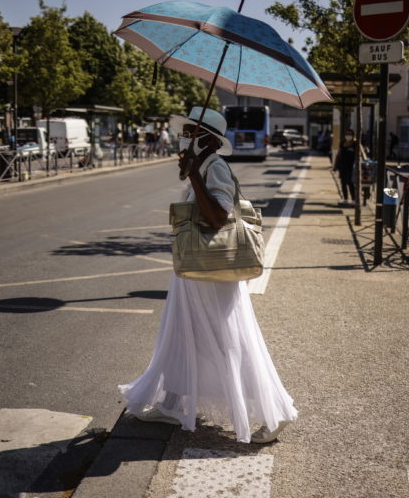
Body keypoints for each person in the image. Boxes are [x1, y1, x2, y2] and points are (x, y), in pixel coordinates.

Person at [119, 106, 298, 444]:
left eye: (190, 132)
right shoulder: (205, 165)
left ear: (206, 138)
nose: (184, 138)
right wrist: (192, 173)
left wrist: (195, 176)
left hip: (212, 276)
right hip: (196, 273)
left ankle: (275, 413)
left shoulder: (215, 167)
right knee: (183, 337)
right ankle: (172, 406)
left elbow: (218, 216)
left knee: (231, 342)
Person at [334, 128, 358, 205]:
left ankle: (354, 199)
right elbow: (339, 154)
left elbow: (361, 153)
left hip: (352, 166)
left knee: (350, 182)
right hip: (343, 166)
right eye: (347, 134)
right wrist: (336, 165)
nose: (348, 136)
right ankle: (345, 198)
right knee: (343, 182)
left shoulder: (355, 144)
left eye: (350, 134)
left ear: (353, 135)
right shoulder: (343, 143)